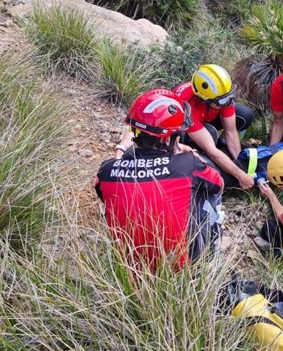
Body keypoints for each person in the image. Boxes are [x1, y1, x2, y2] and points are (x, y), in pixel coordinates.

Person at [95, 91, 224, 270]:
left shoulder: (106, 170)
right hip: (177, 265)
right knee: (206, 188)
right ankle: (209, 252)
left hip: (127, 266)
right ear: (169, 138)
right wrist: (189, 154)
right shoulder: (188, 164)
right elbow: (218, 184)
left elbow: (103, 195)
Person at [173, 64, 255, 190]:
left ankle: (224, 155)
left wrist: (239, 163)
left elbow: (231, 131)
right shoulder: (186, 105)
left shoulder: (221, 95)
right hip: (184, 128)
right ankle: (199, 156)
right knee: (210, 135)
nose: (227, 102)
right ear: (203, 99)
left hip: (207, 114)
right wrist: (240, 176)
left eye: (230, 97)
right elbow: (211, 150)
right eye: (223, 101)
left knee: (245, 115)